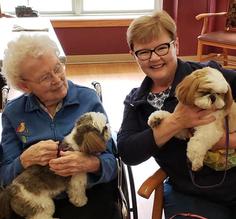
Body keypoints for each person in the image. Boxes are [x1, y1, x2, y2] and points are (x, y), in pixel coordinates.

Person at [117, 10, 236, 219]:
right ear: (133, 55)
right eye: (143, 52)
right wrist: (176, 122)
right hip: (192, 193)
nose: (154, 58)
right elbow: (128, 152)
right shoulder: (137, 102)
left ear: (176, 45)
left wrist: (226, 141)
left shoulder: (207, 73)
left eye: (162, 47)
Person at [0, 34, 119, 219]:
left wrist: (91, 164)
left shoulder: (87, 99)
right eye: (45, 77)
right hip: (32, 196)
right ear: (25, 86)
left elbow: (112, 162)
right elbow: (5, 175)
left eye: (58, 68)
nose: (57, 79)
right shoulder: (13, 113)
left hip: (86, 193)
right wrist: (23, 160)